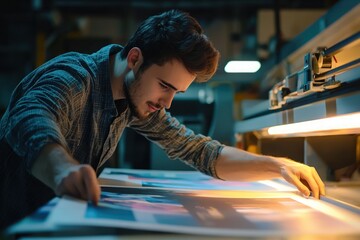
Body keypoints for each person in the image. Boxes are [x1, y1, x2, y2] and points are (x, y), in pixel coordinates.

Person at [0, 9, 325, 230]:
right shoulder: (76, 76)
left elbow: (200, 151)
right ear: (135, 59)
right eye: (166, 86)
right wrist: (63, 169)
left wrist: (278, 165)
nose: (167, 103)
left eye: (176, 92)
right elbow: (30, 116)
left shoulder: (134, 99)